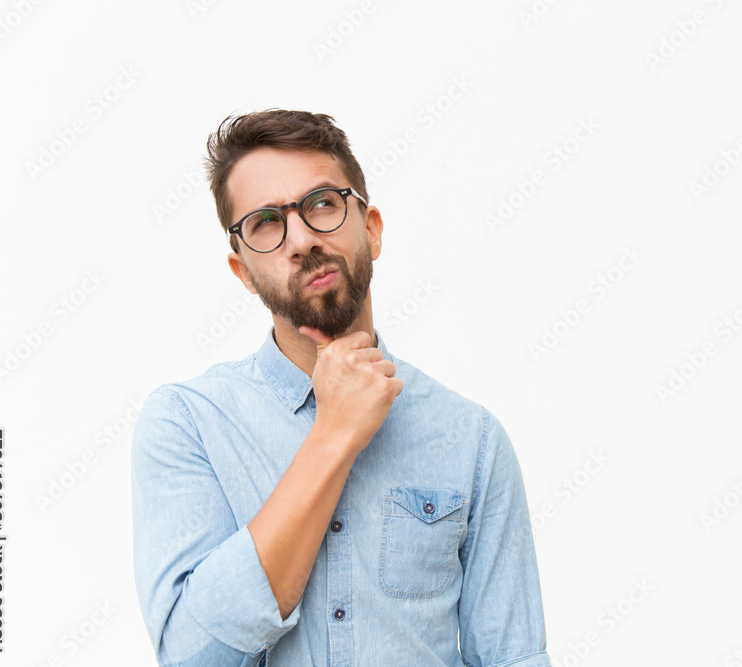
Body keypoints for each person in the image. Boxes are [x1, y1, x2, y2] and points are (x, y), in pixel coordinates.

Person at [130, 109, 551, 666]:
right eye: (265, 222)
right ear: (244, 271)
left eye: (323, 203)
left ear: (371, 229)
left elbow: (512, 659)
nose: (301, 239)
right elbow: (190, 658)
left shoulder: (470, 439)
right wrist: (332, 435)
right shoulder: (187, 423)